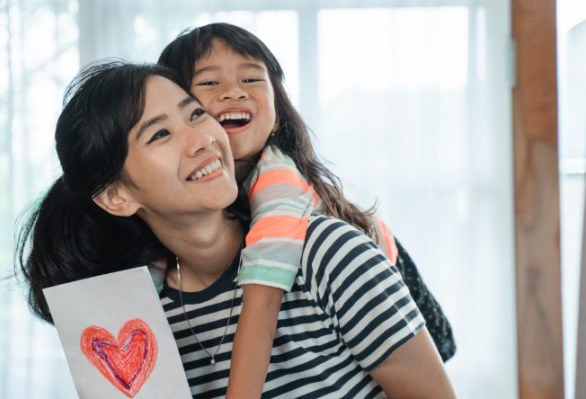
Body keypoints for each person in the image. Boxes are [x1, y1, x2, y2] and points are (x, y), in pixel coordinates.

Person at [16, 61, 456, 398]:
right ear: (116, 197)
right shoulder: (140, 325)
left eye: (194, 114)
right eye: (160, 135)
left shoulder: (327, 254)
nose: (201, 138)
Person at [158, 23, 457, 398]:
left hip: (389, 274)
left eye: (252, 78)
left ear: (278, 115)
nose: (234, 90)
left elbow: (264, 301)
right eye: (209, 84)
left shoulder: (277, 184)